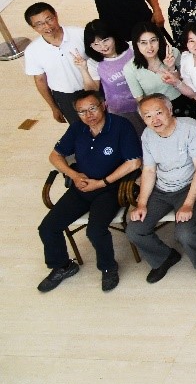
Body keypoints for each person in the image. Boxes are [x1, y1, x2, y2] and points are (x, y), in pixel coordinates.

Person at [36, 90, 141, 294]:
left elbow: (134, 162)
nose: (88, 115)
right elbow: (55, 156)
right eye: (82, 111)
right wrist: (74, 175)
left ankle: (108, 268)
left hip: (111, 189)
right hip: (82, 187)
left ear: (104, 105)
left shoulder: (121, 126)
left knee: (95, 230)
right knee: (47, 227)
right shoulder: (77, 128)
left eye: (92, 108)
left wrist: (101, 183)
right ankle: (63, 266)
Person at [125, 95, 196, 284]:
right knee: (134, 230)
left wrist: (188, 204)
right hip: (162, 188)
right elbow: (149, 170)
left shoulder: (191, 129)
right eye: (148, 116)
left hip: (189, 186)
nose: (155, 120)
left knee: (184, 232)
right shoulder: (147, 135)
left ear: (170, 110)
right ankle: (164, 257)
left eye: (159, 113)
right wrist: (141, 204)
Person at [23, 1, 89, 127]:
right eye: (39, 24)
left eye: (49, 19)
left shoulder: (80, 34)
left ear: (56, 16)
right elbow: (40, 80)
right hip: (65, 97)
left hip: (92, 88)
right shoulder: (32, 51)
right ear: (33, 27)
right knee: (80, 130)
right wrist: (54, 107)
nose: (47, 26)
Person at [81, 20, 139, 132]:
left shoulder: (132, 48)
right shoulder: (94, 63)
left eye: (106, 40)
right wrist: (83, 69)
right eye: (96, 44)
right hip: (120, 111)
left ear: (114, 36)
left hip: (146, 103)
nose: (103, 46)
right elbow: (92, 91)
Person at [123, 22, 187, 116]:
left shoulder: (173, 53)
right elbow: (140, 100)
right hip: (156, 110)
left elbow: (185, 82)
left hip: (182, 102)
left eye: (153, 40)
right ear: (136, 44)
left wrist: (171, 68)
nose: (149, 46)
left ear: (159, 40)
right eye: (143, 43)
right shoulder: (130, 68)